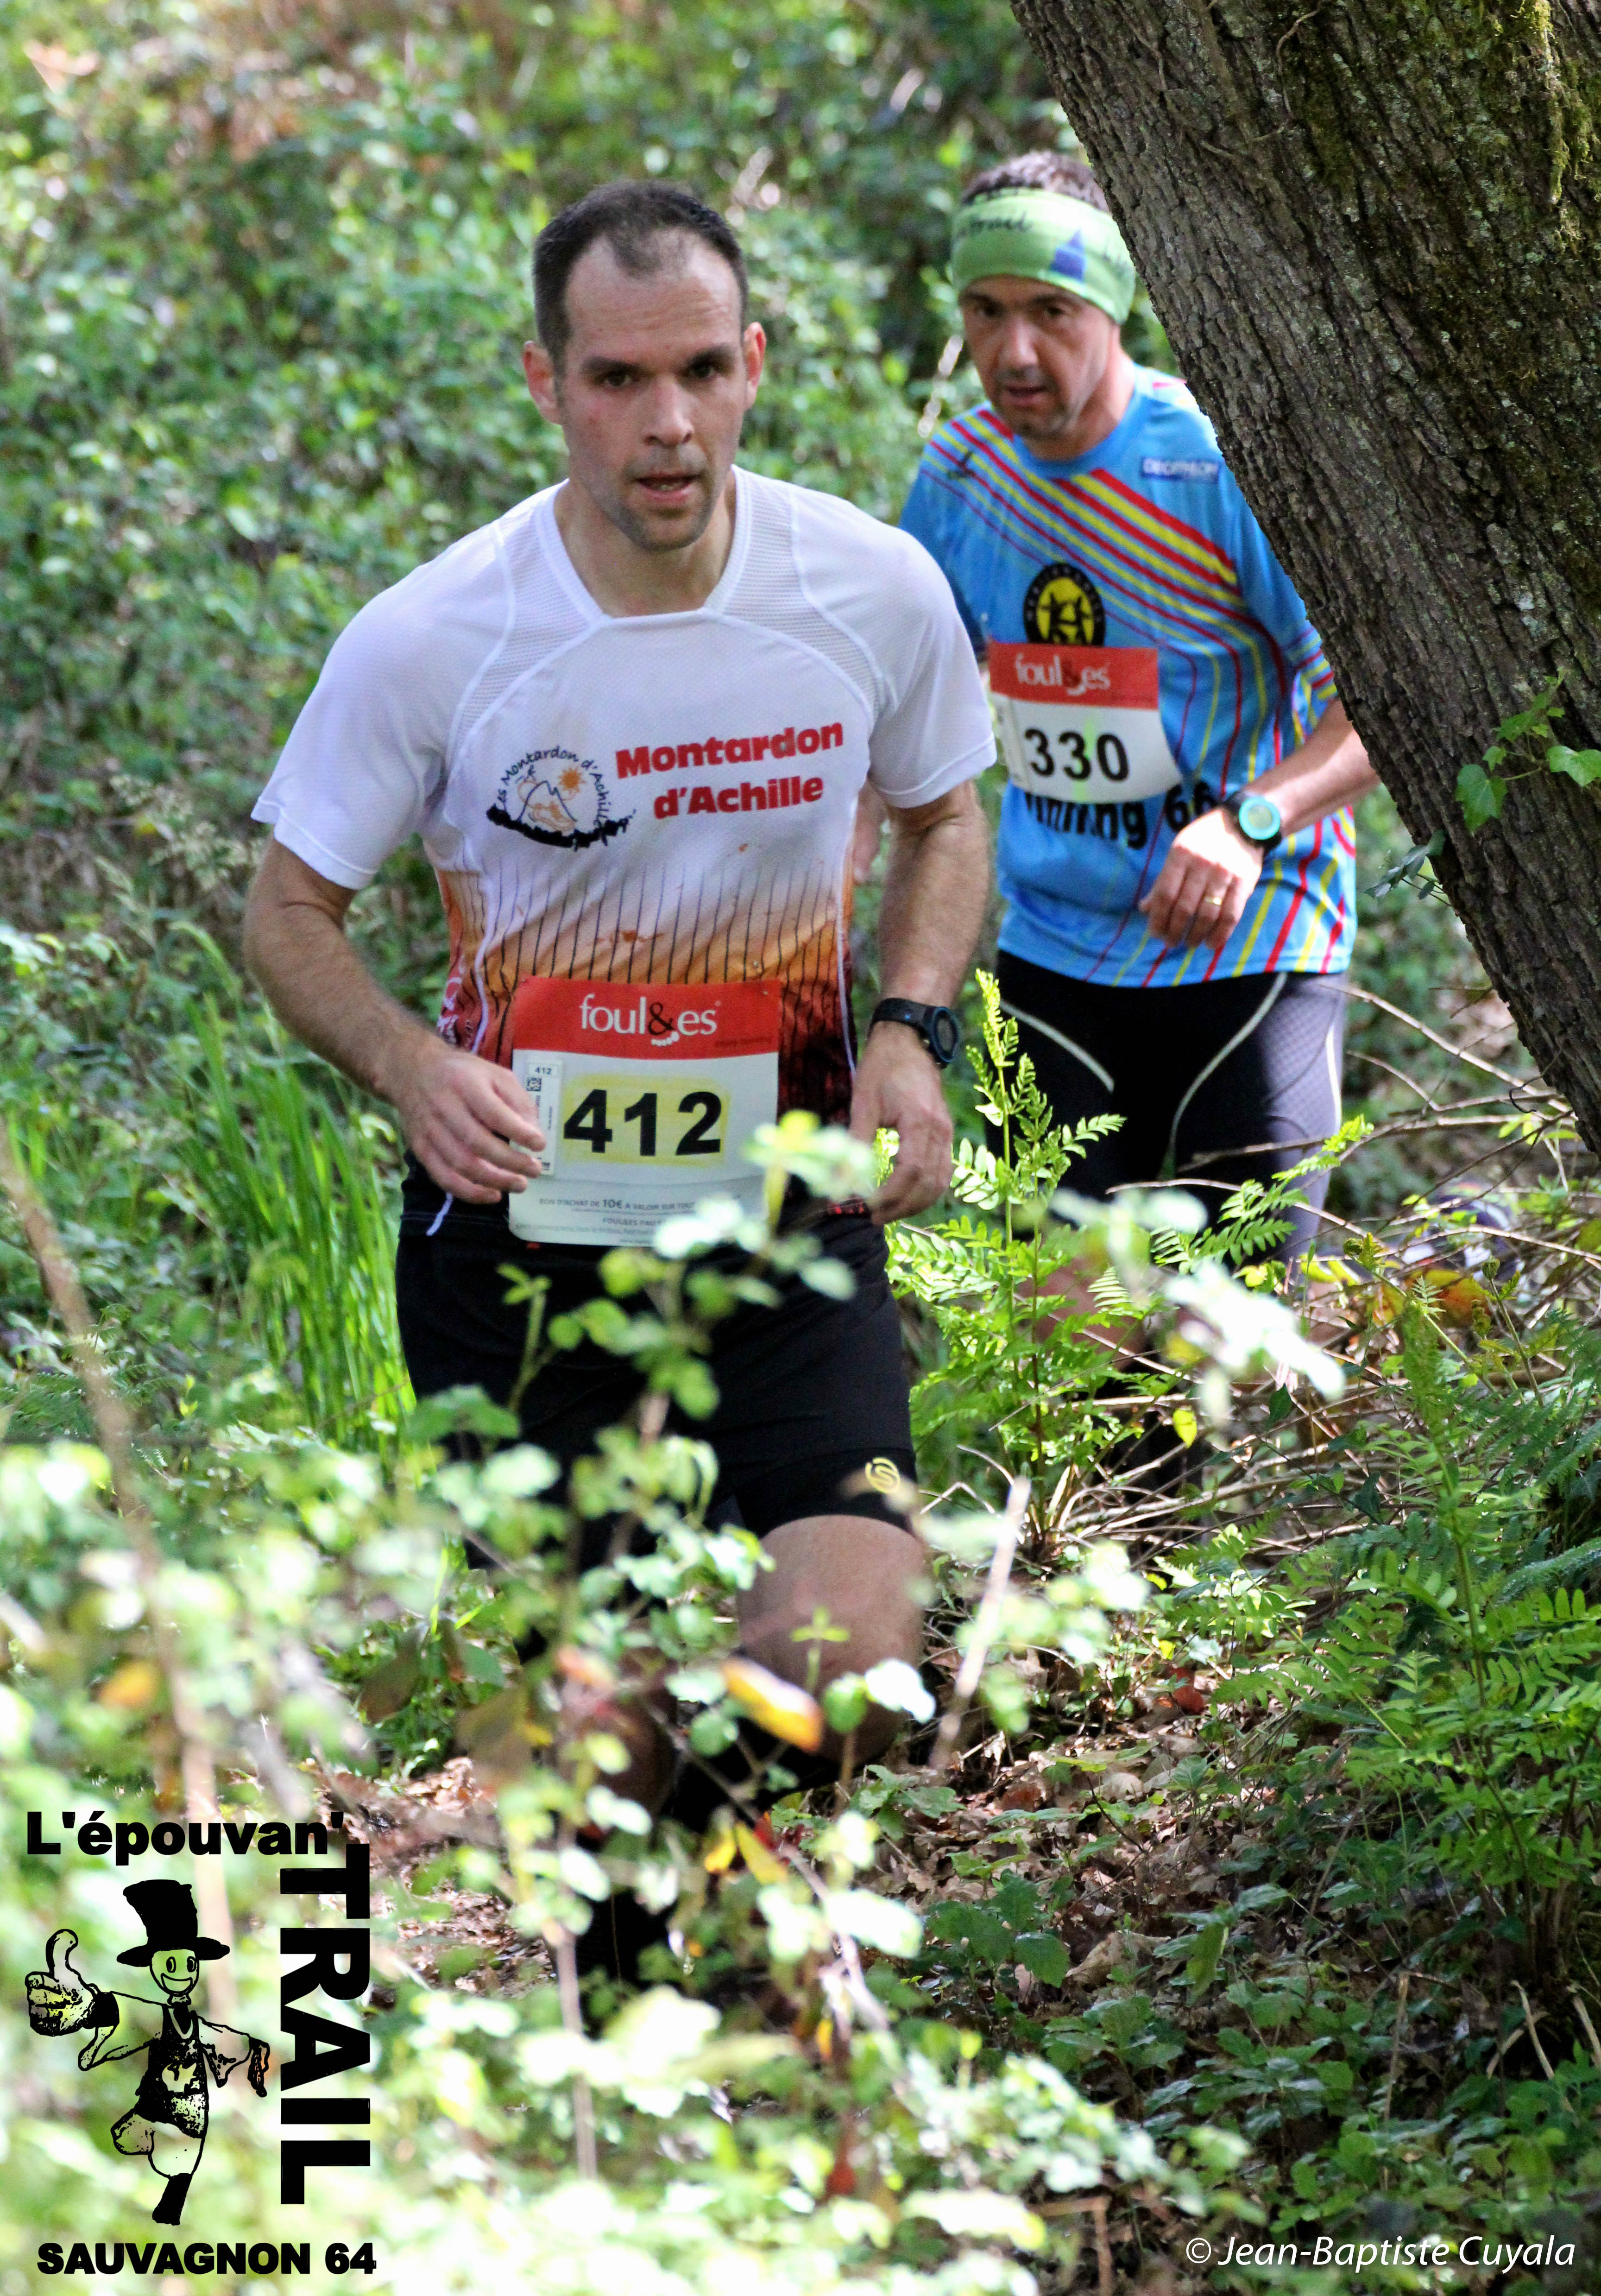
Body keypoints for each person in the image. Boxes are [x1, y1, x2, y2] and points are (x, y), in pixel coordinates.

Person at [242, 181, 995, 1970]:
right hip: (522, 1250)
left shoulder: (866, 590)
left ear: (756, 367)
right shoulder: (436, 635)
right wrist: (413, 1066)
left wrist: (909, 1032)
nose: (667, 421)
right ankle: (628, 1995)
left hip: (785, 1223)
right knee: (593, 1743)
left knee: (851, 1659)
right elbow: (286, 911)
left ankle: (702, 1925)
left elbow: (946, 818)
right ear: (545, 382)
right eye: (617, 378)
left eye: (702, 371)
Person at [900, 152, 1379, 1294]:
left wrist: (1250, 821)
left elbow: (1380, 709)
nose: (1015, 351)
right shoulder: (961, 475)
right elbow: (899, 719)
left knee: (1231, 1337)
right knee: (1075, 1354)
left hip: (1254, 947)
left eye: (1050, 311)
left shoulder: (1211, 461)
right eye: (986, 311)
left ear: (1111, 308)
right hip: (1057, 956)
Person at [26, 1883, 270, 2226]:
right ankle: (166, 2201)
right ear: (155, 1966)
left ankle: (171, 2204)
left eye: (189, 1963)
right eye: (171, 1962)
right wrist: (87, 2007)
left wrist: (255, 2053)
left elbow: (224, 2039)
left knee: (182, 2164)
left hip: (190, 2108)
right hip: (160, 2105)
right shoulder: (163, 2017)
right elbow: (117, 2008)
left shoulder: (194, 2024)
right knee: (143, 2144)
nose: (182, 1972)